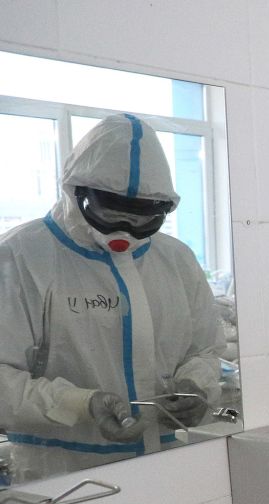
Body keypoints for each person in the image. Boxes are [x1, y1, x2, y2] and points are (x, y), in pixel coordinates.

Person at [0, 113, 224, 481]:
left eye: (142, 220)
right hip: (63, 474)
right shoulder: (22, 257)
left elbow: (206, 349)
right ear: (77, 193)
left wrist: (195, 387)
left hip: (165, 462)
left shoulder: (175, 259)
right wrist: (81, 404)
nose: (126, 231)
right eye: (112, 214)